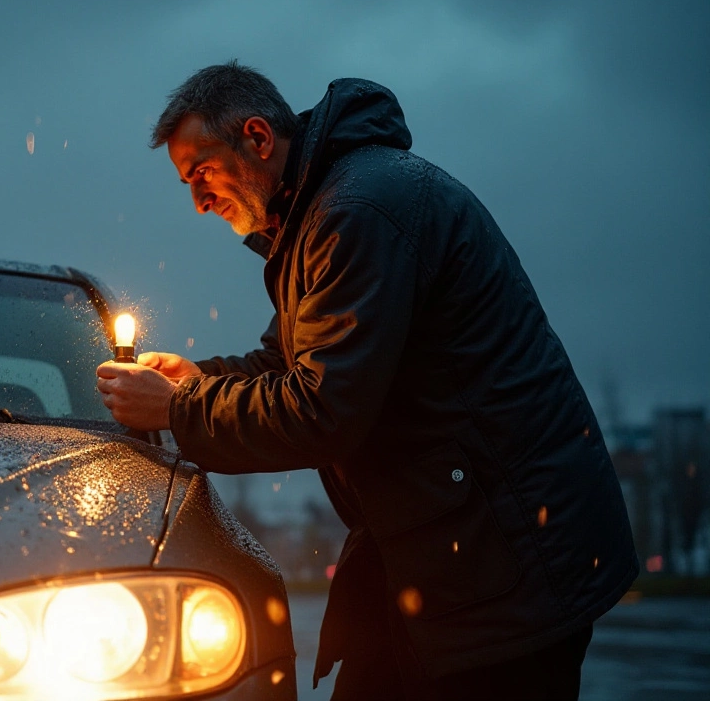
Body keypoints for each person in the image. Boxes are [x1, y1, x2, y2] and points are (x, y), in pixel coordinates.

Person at [96, 61, 638, 700]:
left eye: (202, 172)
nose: (199, 201)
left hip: (507, 561)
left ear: (258, 138)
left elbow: (321, 410)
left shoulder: (356, 214)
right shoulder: (319, 216)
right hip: (450, 544)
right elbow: (286, 366)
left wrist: (181, 410)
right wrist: (198, 378)